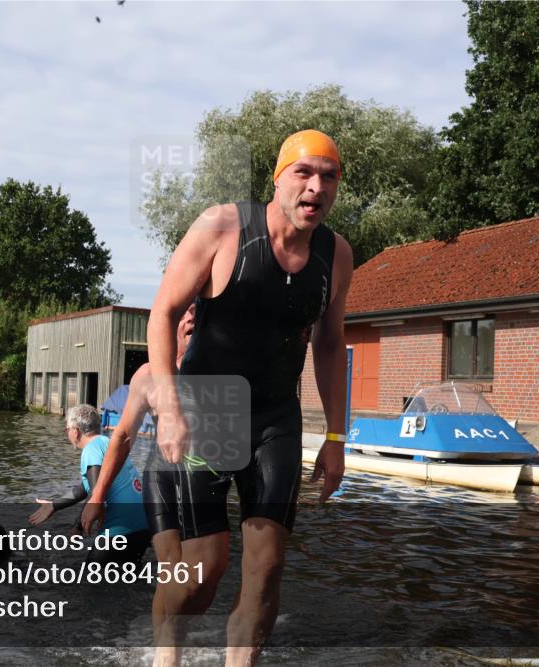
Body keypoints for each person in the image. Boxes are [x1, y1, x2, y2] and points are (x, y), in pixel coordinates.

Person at [112, 129, 353, 664]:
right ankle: (165, 642)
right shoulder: (222, 226)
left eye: (329, 176)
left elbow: (331, 345)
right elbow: (163, 313)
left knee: (267, 570)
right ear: (278, 178)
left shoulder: (335, 254)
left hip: (276, 418)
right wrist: (171, 410)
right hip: (209, 409)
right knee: (203, 571)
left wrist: (337, 437)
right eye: (304, 173)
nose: (316, 186)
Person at [81, 304, 195, 643]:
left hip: (204, 485)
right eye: (185, 312)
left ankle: (171, 634)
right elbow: (123, 437)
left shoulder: (219, 369)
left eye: (198, 312)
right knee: (171, 566)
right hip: (162, 482)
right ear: (171, 325)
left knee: (203, 572)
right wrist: (96, 498)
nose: (191, 318)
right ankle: (161, 648)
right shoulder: (147, 375)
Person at [30, 404, 150, 565]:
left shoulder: (91, 449)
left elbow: (96, 494)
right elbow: (84, 488)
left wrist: (78, 527)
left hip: (120, 528)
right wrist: (54, 505)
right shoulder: (107, 443)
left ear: (75, 430)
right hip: (143, 526)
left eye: (66, 430)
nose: (67, 435)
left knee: (92, 581)